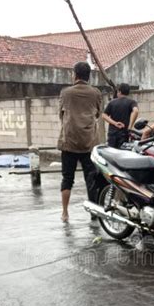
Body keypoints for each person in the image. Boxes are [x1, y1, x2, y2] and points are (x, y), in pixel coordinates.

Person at [58, 61, 102, 223]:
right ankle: (94, 213)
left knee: (67, 178)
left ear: (75, 74)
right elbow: (97, 114)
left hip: (69, 142)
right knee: (91, 179)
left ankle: (65, 213)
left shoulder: (66, 92)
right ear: (88, 76)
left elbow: (61, 115)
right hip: (89, 142)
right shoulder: (96, 93)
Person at [102, 83, 139, 148]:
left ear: (119, 91)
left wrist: (115, 123)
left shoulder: (112, 102)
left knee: (111, 154)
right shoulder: (132, 102)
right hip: (124, 134)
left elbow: (104, 115)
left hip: (112, 135)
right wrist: (130, 127)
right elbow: (135, 111)